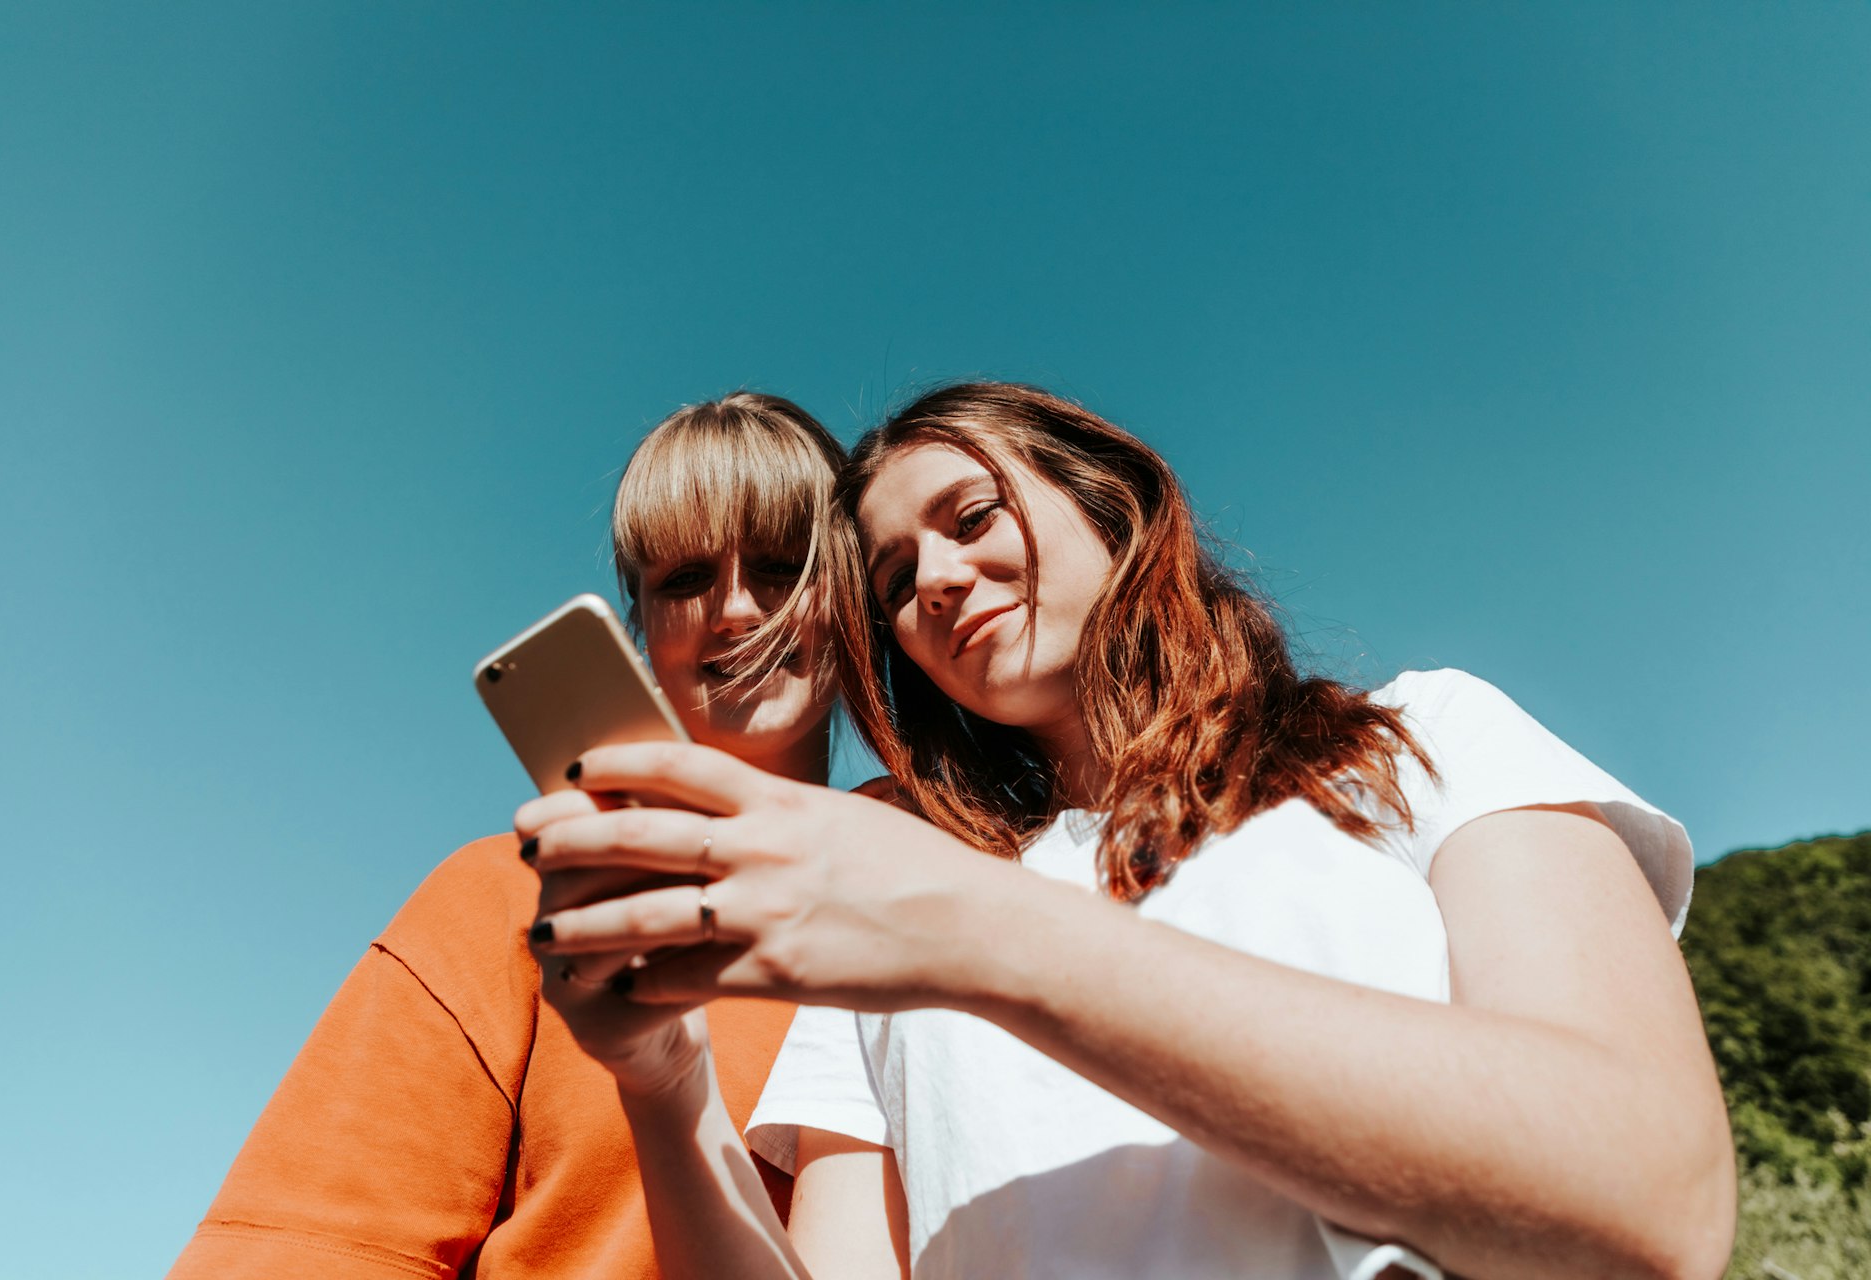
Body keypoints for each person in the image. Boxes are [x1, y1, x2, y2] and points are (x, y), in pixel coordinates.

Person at [520, 382, 1737, 1280]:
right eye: (891, 580)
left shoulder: (1425, 740)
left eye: (972, 514)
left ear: (1114, 500)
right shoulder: (899, 908)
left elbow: (1647, 1194)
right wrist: (664, 1083)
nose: (935, 577)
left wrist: (983, 932)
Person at [168, 392, 846, 1280]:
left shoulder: (969, 867)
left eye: (782, 566)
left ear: (855, 597)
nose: (736, 611)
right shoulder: (512, 896)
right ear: (636, 626)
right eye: (684, 579)